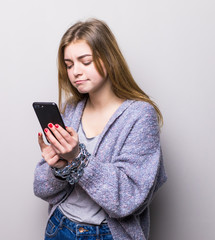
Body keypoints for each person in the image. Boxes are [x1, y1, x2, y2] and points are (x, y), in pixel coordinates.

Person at [33, 18, 167, 240]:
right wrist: (57, 167)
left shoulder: (140, 116)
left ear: (109, 58)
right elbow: (40, 188)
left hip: (105, 233)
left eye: (85, 61)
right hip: (60, 228)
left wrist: (77, 158)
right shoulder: (72, 111)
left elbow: (129, 198)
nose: (75, 71)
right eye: (69, 64)